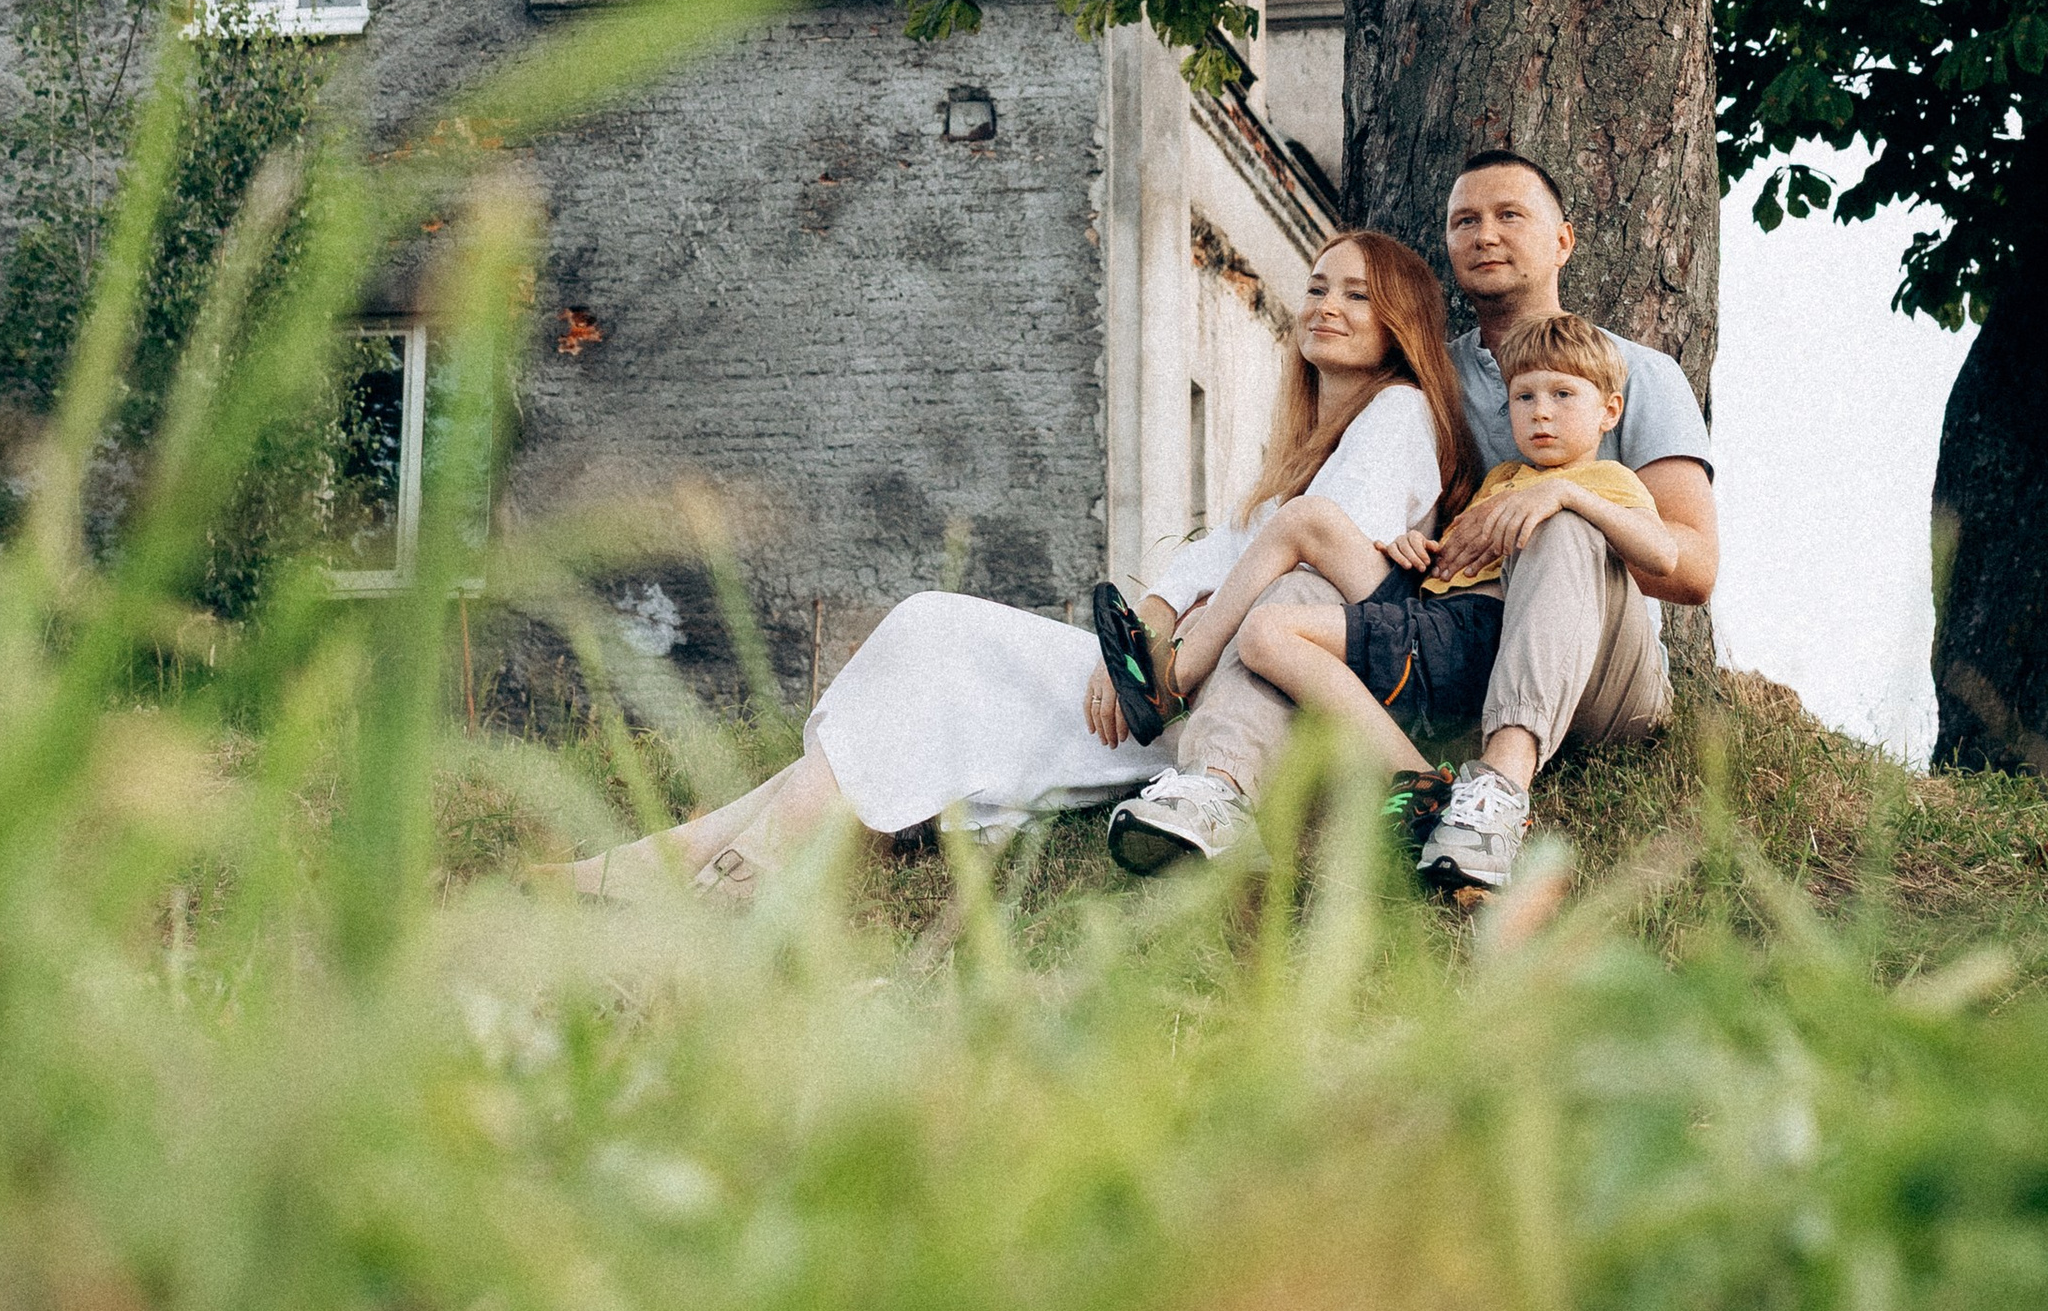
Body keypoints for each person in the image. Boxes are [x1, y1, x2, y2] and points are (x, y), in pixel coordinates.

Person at [562, 228, 1475, 903]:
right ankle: (677, 862)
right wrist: (1155, 614)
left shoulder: (1396, 416)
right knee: (927, 653)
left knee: (935, 637)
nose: (1327, 306)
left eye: (1357, 295)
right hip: (1191, 671)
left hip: (1246, 698)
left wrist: (1175, 656)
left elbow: (1311, 556)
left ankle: (723, 872)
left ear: (1401, 323)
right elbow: (1223, 550)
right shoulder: (1312, 439)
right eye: (1316, 287)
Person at [1112, 148, 1720, 895]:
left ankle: (1497, 796)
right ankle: (1217, 788)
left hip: (1593, 667)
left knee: (1560, 524)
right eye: (1465, 220)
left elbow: (1692, 573)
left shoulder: (1633, 373)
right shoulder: (1431, 376)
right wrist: (1407, 550)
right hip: (1462, 638)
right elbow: (1338, 497)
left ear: (1563, 240)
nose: (1485, 234)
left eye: (1510, 215)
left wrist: (1562, 496)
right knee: (1295, 590)